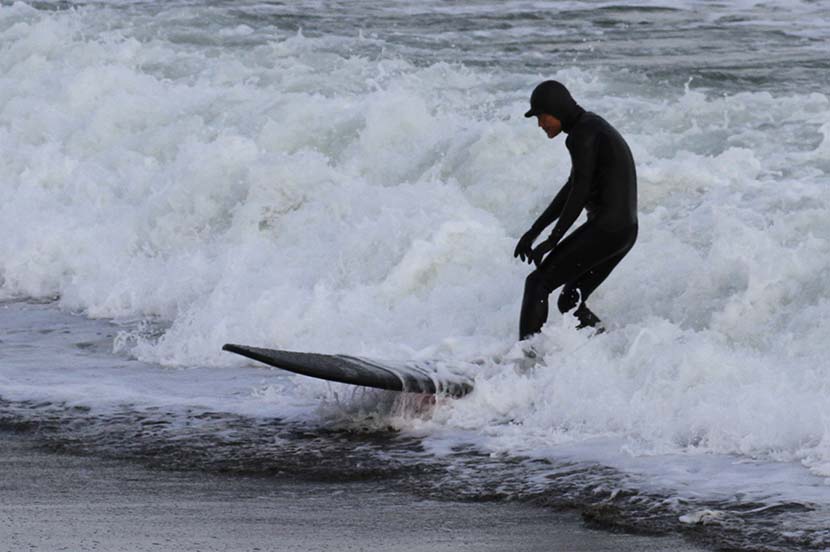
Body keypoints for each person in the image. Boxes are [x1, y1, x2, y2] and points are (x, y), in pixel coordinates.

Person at [514, 81, 638, 340]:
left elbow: (579, 194)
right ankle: (608, 349)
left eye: (541, 116)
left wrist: (552, 239)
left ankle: (524, 363)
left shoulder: (582, 135)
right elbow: (572, 189)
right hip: (624, 231)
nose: (540, 124)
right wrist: (533, 232)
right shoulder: (590, 128)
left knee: (537, 283)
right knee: (570, 301)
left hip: (607, 228)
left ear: (555, 109)